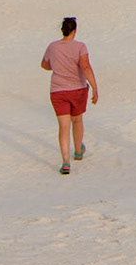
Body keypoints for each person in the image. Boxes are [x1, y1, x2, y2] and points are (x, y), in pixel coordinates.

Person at [41, 17, 98, 174]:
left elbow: (44, 65)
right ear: (75, 30)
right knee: (77, 119)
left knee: (63, 126)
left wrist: (58, 65)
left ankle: (65, 162)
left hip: (57, 90)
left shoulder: (53, 47)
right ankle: (78, 151)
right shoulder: (80, 47)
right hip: (77, 89)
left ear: (62, 30)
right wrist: (95, 87)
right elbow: (85, 67)